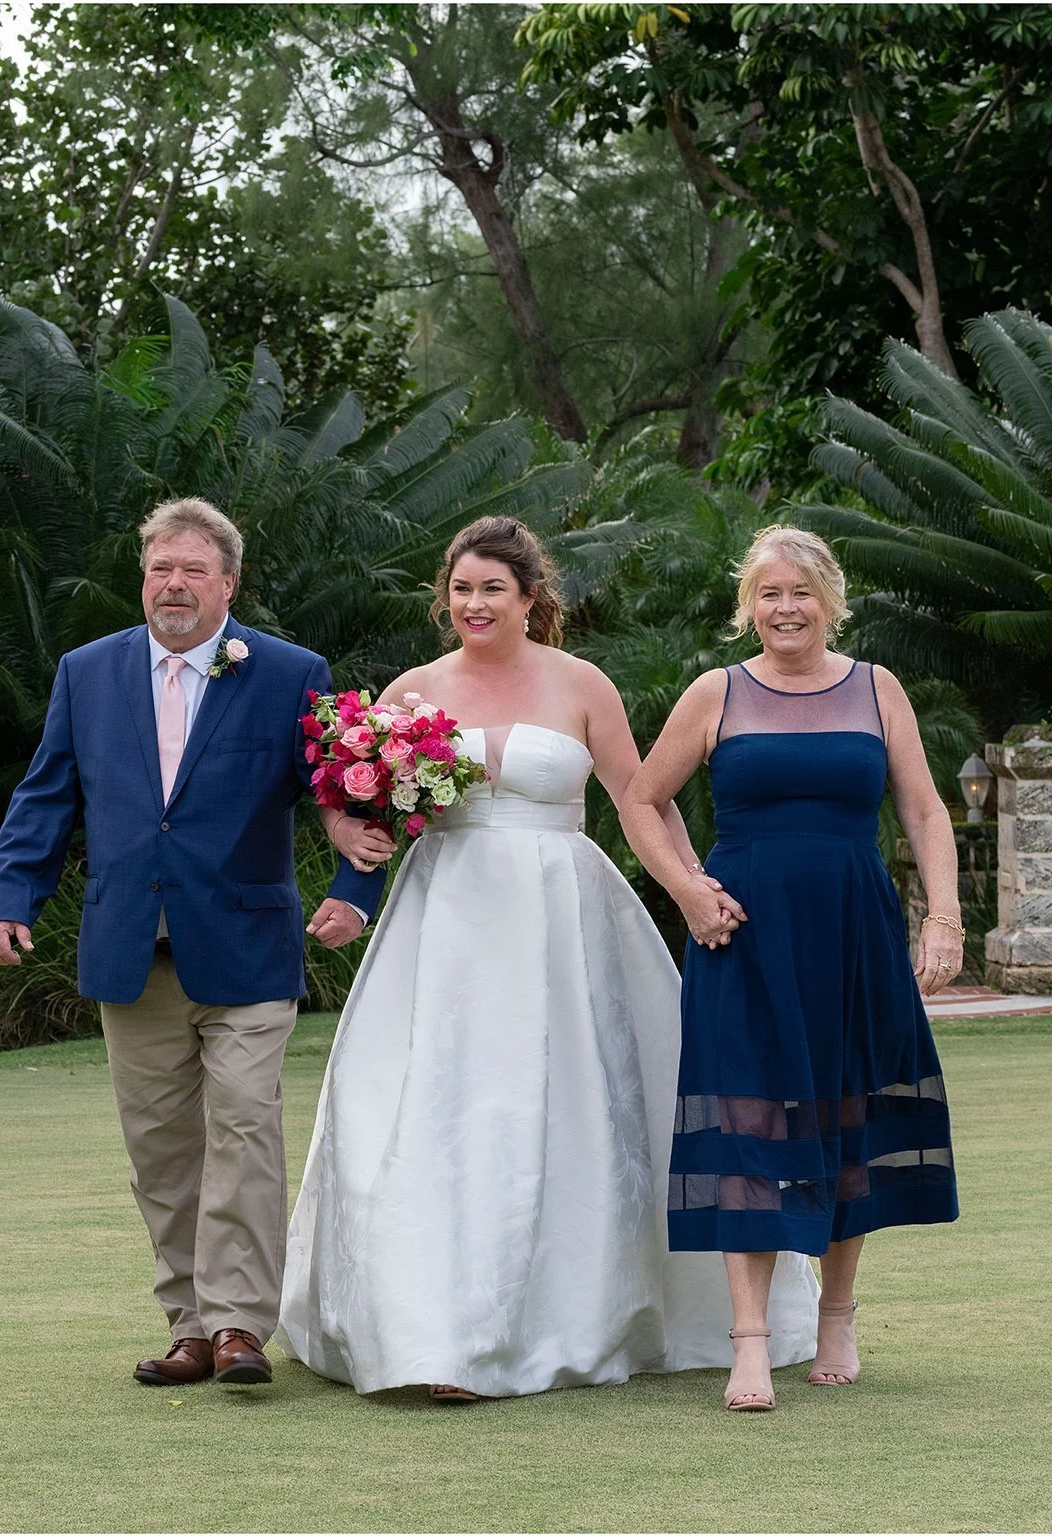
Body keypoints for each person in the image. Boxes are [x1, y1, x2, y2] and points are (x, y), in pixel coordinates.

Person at [281, 516, 819, 1402]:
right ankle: (435, 1336)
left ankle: (567, 1318)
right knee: (436, 1106)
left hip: (561, 918)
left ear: (530, 597)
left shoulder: (581, 683)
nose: (474, 603)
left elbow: (643, 796)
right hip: (444, 918)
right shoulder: (414, 690)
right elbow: (354, 801)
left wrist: (693, 884)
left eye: (493, 588)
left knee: (566, 1106)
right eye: (461, 588)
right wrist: (348, 871)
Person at [0, 497, 395, 1390]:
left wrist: (353, 895)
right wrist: (9, 900)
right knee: (162, 1151)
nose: (174, 584)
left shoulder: (289, 673)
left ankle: (241, 1323)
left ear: (229, 584)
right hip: (130, 951)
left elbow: (351, 789)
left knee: (243, 1127)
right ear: (144, 579)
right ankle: (191, 1326)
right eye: (160, 568)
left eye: (193, 570)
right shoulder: (88, 672)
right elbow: (46, 797)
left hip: (248, 947)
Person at [618, 524, 962, 1412]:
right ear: (749, 605)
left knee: (848, 1115)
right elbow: (642, 800)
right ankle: (751, 1343)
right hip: (742, 940)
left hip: (854, 932)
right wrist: (689, 890)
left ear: (829, 599)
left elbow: (925, 812)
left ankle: (836, 1314)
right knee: (750, 1122)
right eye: (769, 593)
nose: (785, 608)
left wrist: (945, 918)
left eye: (800, 592)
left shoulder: (878, 689)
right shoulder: (715, 692)